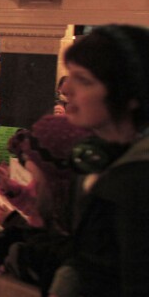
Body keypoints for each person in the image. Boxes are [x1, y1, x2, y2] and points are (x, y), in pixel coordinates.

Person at [56, 25, 149, 296]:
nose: (67, 89)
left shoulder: (137, 182)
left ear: (128, 95)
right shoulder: (109, 161)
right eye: (70, 76)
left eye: (84, 80)